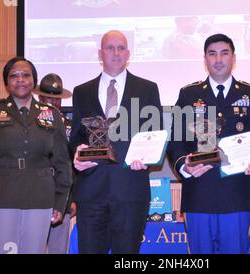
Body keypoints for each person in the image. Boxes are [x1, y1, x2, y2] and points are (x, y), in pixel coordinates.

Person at [168, 33, 250, 254]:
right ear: (205, 59)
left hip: (237, 196)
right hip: (199, 195)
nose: (218, 59)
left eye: (224, 53)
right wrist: (185, 166)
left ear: (233, 57)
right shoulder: (188, 95)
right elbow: (176, 142)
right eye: (212, 54)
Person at [0, 57, 72, 254]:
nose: (20, 79)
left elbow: (63, 163)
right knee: (6, 251)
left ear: (34, 81)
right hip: (2, 197)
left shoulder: (51, 114)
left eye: (26, 75)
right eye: (14, 76)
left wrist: (60, 202)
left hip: (40, 198)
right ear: (7, 83)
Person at [69, 30, 162, 254]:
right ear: (100, 53)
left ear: (128, 53)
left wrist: (148, 159)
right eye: (110, 48)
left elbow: (156, 134)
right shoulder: (82, 92)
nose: (116, 52)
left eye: (121, 48)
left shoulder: (148, 89)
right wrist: (77, 153)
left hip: (130, 191)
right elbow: (77, 138)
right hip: (91, 192)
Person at [33, 73, 76, 254]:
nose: (53, 102)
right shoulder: (28, 123)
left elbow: (75, 164)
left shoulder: (70, 127)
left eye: (57, 99)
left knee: (59, 250)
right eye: (48, 97)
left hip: (62, 199)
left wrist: (74, 198)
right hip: (33, 199)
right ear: (40, 97)